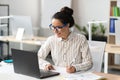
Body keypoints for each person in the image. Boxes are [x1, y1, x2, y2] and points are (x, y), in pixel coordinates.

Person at [38, 6, 93, 73]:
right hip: (58, 75)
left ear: (67, 25)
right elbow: (38, 57)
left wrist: (75, 68)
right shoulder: (51, 40)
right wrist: (45, 64)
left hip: (76, 76)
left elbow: (89, 62)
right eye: (53, 27)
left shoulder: (80, 39)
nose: (55, 31)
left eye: (58, 27)